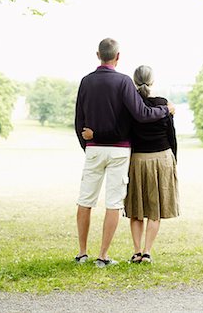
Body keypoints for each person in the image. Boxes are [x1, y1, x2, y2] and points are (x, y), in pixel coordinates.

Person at [75, 38, 175, 268]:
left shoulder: (85, 82)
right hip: (119, 150)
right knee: (112, 203)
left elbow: (78, 119)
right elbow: (141, 114)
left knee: (85, 200)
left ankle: (82, 253)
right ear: (118, 56)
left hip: (93, 149)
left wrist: (89, 143)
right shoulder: (123, 82)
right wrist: (165, 110)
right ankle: (103, 255)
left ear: (97, 54)